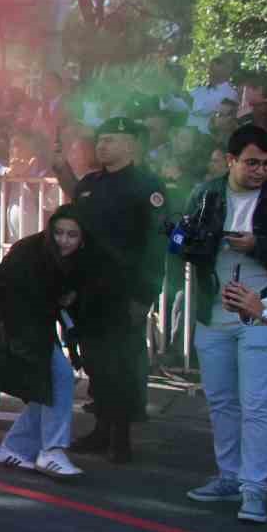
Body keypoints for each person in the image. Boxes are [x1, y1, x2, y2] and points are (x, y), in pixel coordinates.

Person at [179, 124, 267, 525]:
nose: (260, 170)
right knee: (221, 401)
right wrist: (192, 239)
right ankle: (228, 476)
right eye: (252, 163)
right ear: (231, 160)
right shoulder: (207, 193)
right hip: (213, 312)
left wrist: (257, 245)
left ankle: (254, 489)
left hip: (264, 310)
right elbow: (183, 247)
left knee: (258, 406)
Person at [68, 116, 168, 463]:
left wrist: (145, 295)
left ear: (130, 145)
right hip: (88, 289)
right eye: (100, 139)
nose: (103, 145)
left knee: (121, 364)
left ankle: (121, 436)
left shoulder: (146, 186)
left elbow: (156, 246)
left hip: (124, 290)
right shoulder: (88, 184)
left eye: (111, 139)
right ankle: (101, 428)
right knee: (94, 360)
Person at [0, 206, 93, 479]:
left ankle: (13, 447)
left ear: (82, 237)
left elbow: (75, 295)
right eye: (59, 232)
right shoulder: (28, 250)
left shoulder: (83, 258)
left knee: (48, 386)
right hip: (12, 322)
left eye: (72, 235)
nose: (64, 240)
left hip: (40, 325)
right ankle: (52, 450)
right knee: (58, 377)